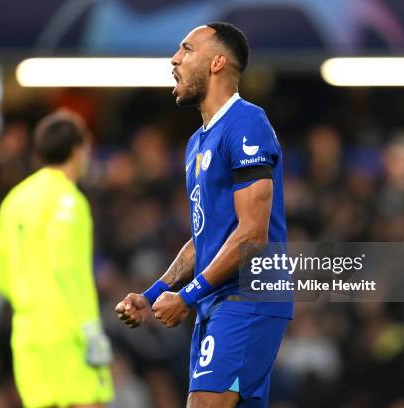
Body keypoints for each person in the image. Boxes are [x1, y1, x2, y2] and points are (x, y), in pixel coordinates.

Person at [115, 22, 292, 408]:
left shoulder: (246, 123)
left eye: (186, 49)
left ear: (217, 63)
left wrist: (188, 297)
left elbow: (252, 236)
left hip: (248, 297)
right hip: (218, 299)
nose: (174, 59)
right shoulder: (197, 142)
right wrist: (155, 294)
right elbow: (205, 239)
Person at [0, 111, 113, 408]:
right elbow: (68, 270)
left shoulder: (14, 200)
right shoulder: (69, 200)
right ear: (76, 149)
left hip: (28, 338)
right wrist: (91, 333)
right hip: (68, 338)